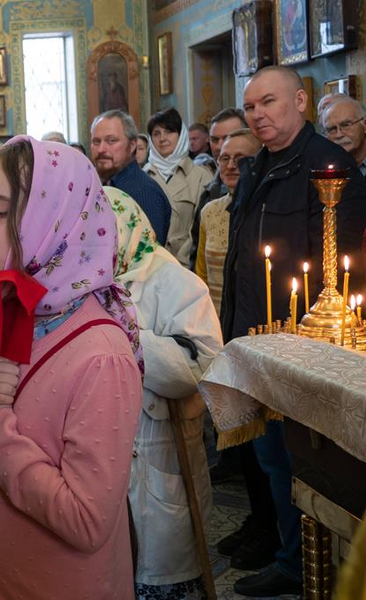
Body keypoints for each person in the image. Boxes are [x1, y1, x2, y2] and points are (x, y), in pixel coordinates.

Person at [0, 137, 143, 599]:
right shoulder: (6, 313)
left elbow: (86, 521)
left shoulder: (101, 354)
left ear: (56, 222)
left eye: (1, 212)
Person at [223, 65, 366, 597]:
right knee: (267, 455)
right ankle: (286, 548)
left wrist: (309, 335)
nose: (258, 114)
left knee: (299, 459)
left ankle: (302, 561)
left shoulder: (328, 167)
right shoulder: (257, 164)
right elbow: (243, 255)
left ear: (302, 101)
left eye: (269, 102)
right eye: (251, 106)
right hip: (257, 334)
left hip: (302, 342)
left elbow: (341, 267)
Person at [108, 188, 222, 600]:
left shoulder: (172, 279)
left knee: (162, 574)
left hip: (157, 450)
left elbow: (200, 366)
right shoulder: (87, 282)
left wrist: (130, 335)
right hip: (104, 457)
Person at [195, 129, 262, 315]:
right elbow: (202, 274)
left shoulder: (267, 209)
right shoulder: (209, 211)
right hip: (214, 320)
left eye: (240, 158)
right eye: (224, 159)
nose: (231, 165)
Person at [90, 109, 172, 243]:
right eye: (96, 141)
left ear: (132, 144)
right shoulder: (97, 185)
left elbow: (148, 255)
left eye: (111, 141)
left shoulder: (145, 191)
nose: (101, 149)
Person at [144, 107, 212, 268]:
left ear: (181, 135)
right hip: (150, 267)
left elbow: (203, 226)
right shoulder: (143, 177)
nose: (162, 138)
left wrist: (184, 257)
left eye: (169, 132)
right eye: (156, 133)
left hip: (187, 265)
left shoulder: (201, 176)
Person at [188, 108, 247, 269]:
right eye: (215, 140)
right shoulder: (209, 194)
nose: (220, 146)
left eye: (228, 138)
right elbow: (197, 258)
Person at [321, 96, 366, 177]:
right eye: (332, 129)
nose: (339, 134)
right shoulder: (322, 169)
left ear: (364, 125)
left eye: (346, 125)